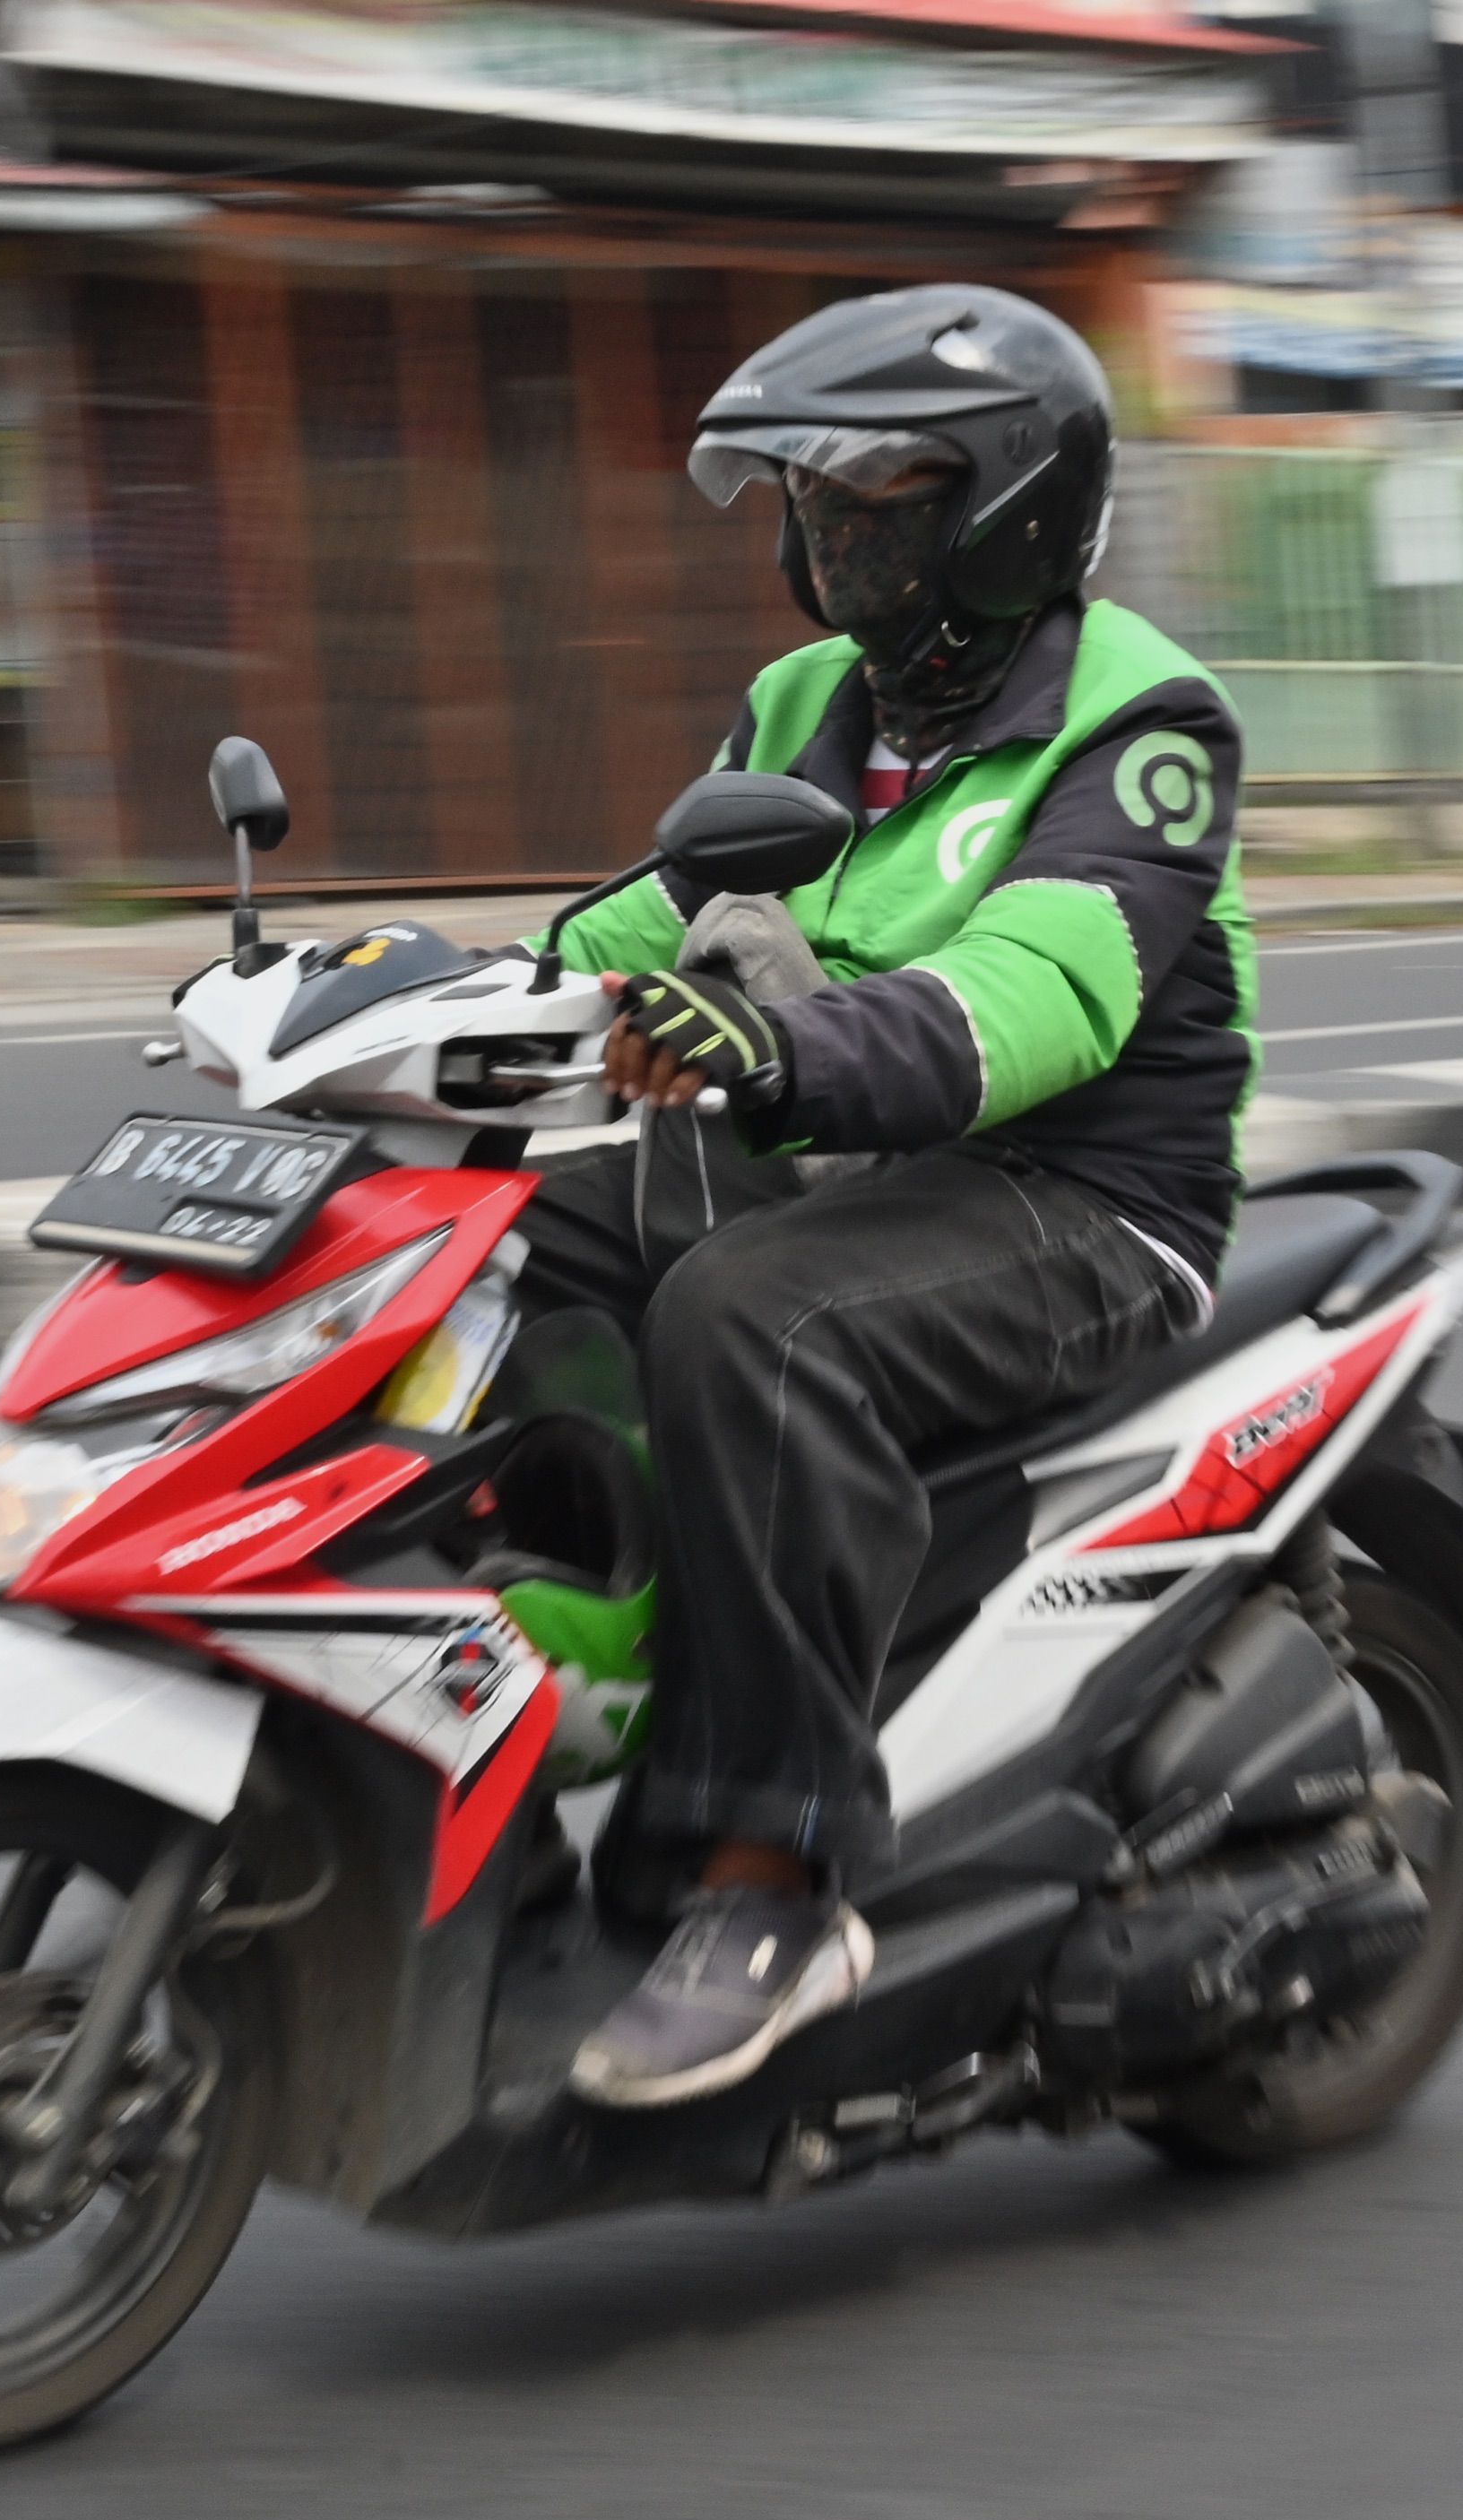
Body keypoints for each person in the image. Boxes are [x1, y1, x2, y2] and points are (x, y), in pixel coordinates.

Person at [527, 283, 1256, 2109]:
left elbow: (1046, 987)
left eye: (878, 503)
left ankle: (777, 1882)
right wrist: (422, 996)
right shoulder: (807, 702)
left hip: (1078, 1197)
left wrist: (786, 1054)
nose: (829, 539)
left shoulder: (1143, 719)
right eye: (814, 505)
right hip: (856, 1155)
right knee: (495, 1227)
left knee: (747, 1311)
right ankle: (590, 1647)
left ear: (1003, 512)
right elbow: (638, 913)